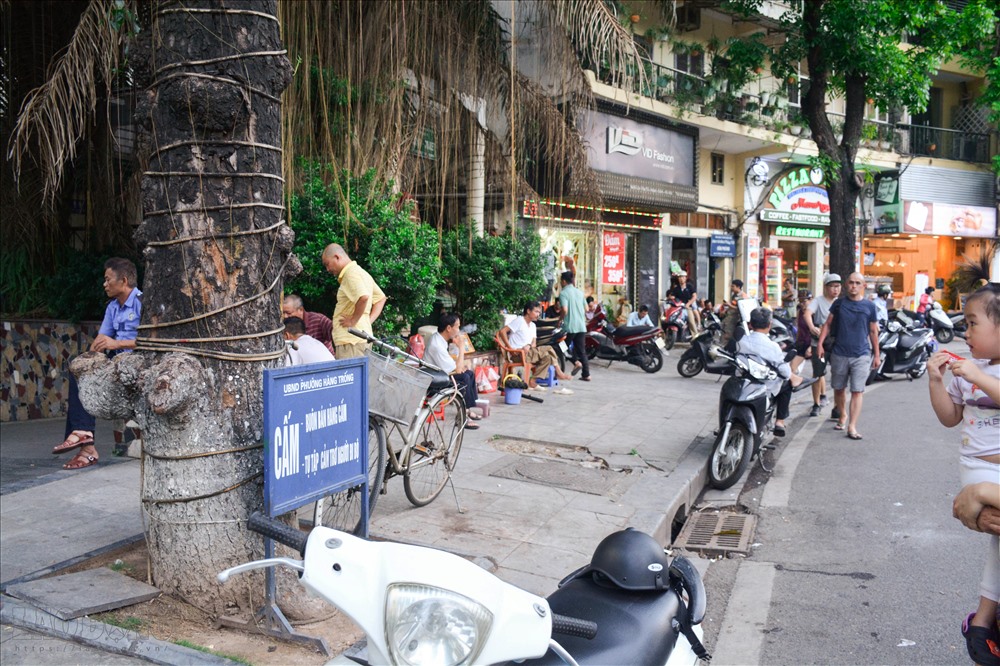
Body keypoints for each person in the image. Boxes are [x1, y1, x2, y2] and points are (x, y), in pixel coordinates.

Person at [927, 283, 1000, 666]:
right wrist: (937, 381)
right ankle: (985, 621)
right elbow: (950, 417)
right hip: (981, 473)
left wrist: (977, 374)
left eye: (972, 324)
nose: (965, 333)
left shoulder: (977, 371)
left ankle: (984, 620)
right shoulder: (966, 371)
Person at [52, 258, 142, 470]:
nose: (104, 284)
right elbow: (101, 341)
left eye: (107, 279)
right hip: (114, 363)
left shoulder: (141, 302)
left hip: (138, 362)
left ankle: (85, 444)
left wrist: (116, 343)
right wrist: (88, 360)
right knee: (78, 372)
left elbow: (153, 340)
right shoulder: (112, 307)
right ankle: (85, 441)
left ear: (124, 280)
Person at [817, 272, 879, 440]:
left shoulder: (870, 306)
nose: (854, 286)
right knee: (839, 388)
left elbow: (873, 331)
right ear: (846, 284)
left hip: (862, 354)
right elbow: (828, 324)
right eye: (851, 282)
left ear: (863, 286)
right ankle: (842, 414)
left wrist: (877, 355)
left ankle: (852, 425)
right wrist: (820, 344)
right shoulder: (839, 304)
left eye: (858, 283)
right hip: (839, 353)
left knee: (857, 391)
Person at [737, 307, 808, 437]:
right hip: (764, 386)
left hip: (743, 382)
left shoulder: (741, 341)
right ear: (769, 325)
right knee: (786, 382)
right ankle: (780, 422)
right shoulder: (772, 346)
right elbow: (785, 372)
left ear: (750, 324)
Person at [322, 243, 386, 359]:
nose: (328, 269)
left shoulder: (350, 274)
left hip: (351, 341)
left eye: (327, 264)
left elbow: (364, 297)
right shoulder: (361, 272)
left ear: (337, 257)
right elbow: (380, 299)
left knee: (350, 376)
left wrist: (353, 321)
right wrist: (366, 321)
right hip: (358, 338)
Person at [423, 313, 480, 430]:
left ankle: (467, 410)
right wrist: (461, 348)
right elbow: (457, 370)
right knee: (464, 378)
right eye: (457, 327)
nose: (459, 330)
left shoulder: (439, 338)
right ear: (449, 328)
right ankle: (462, 417)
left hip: (440, 375)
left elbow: (454, 367)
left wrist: (460, 366)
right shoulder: (437, 344)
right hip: (434, 382)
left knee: (469, 373)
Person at [498, 301, 573, 389]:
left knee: (548, 358)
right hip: (517, 353)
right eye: (536, 312)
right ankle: (559, 372)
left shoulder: (533, 326)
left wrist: (529, 345)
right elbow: (502, 332)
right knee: (549, 348)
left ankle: (533, 381)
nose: (538, 315)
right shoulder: (519, 320)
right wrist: (510, 348)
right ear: (528, 311)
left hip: (529, 353)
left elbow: (533, 343)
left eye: (539, 313)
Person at [805, 273, 842, 418]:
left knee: (838, 374)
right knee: (817, 373)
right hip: (819, 341)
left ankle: (837, 407)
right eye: (832, 286)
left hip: (837, 342)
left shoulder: (841, 302)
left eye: (837, 286)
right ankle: (816, 403)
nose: (835, 290)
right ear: (826, 287)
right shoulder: (818, 301)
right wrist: (811, 326)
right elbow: (807, 313)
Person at [558, 271, 590, 382]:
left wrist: (560, 319)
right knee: (582, 350)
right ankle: (586, 374)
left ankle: (576, 362)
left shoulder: (563, 293)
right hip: (581, 325)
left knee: (562, 347)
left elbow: (565, 310)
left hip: (569, 326)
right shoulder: (580, 293)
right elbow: (587, 309)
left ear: (563, 281)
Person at [790, 291, 813, 376]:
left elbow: (819, 332)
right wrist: (796, 342)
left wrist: (810, 348)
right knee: (792, 367)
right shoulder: (800, 312)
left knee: (818, 373)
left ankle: (822, 390)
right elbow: (799, 329)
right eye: (800, 301)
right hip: (802, 343)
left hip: (813, 344)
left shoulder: (814, 313)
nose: (802, 304)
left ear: (811, 300)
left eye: (804, 301)